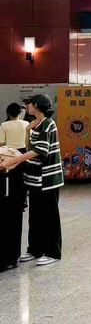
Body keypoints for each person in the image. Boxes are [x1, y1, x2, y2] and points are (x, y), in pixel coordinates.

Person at [0, 95, 64, 266]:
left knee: (49, 216)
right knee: (35, 216)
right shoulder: (36, 123)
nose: (26, 106)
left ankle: (53, 252)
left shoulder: (48, 124)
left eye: (29, 104)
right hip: (35, 178)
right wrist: (28, 130)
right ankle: (35, 249)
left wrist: (12, 161)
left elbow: (39, 151)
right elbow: (29, 147)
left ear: (36, 105)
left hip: (47, 178)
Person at [0, 103, 29, 270]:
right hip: (23, 155)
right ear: (20, 113)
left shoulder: (4, 125)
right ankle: (23, 200)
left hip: (8, 157)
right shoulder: (26, 124)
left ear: (7, 112)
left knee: (9, 185)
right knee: (21, 184)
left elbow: (1, 142)